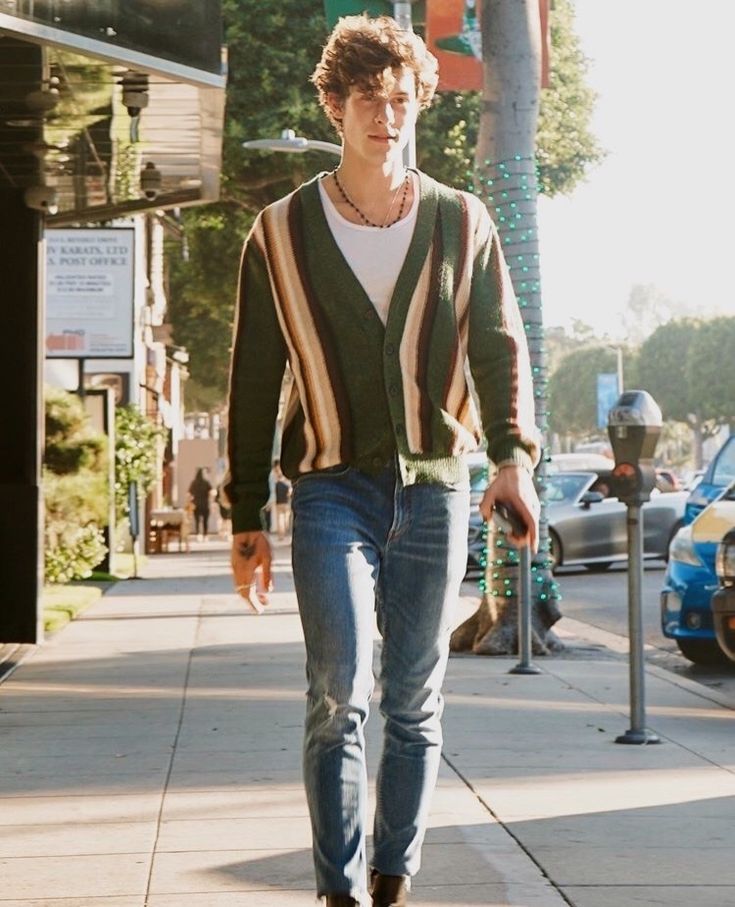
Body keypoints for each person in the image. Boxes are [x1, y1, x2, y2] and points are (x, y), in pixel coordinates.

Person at [225, 15, 540, 906]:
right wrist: (248, 514)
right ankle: (340, 889)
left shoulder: (460, 220)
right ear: (333, 105)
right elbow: (253, 380)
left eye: (401, 102)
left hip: (436, 486)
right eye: (369, 100)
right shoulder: (278, 234)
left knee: (413, 697)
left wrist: (512, 460)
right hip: (328, 489)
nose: (386, 118)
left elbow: (498, 349)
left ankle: (392, 875)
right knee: (340, 689)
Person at [188, 466, 213, 540]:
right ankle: (205, 534)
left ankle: (198, 533)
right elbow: (211, 492)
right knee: (205, 520)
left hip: (196, 504)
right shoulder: (206, 482)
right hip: (205, 504)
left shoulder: (194, 483)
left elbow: (189, 493)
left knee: (197, 520)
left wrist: (190, 502)